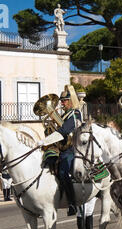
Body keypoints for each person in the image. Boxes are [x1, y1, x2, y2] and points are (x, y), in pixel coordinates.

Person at [41, 85, 83, 217]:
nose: (62, 103)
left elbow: (65, 130)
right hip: (61, 149)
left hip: (72, 149)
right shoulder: (64, 115)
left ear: (71, 101)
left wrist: (46, 141)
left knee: (64, 171)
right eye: (61, 101)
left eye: (64, 101)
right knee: (47, 166)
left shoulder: (75, 114)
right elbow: (57, 131)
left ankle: (72, 203)